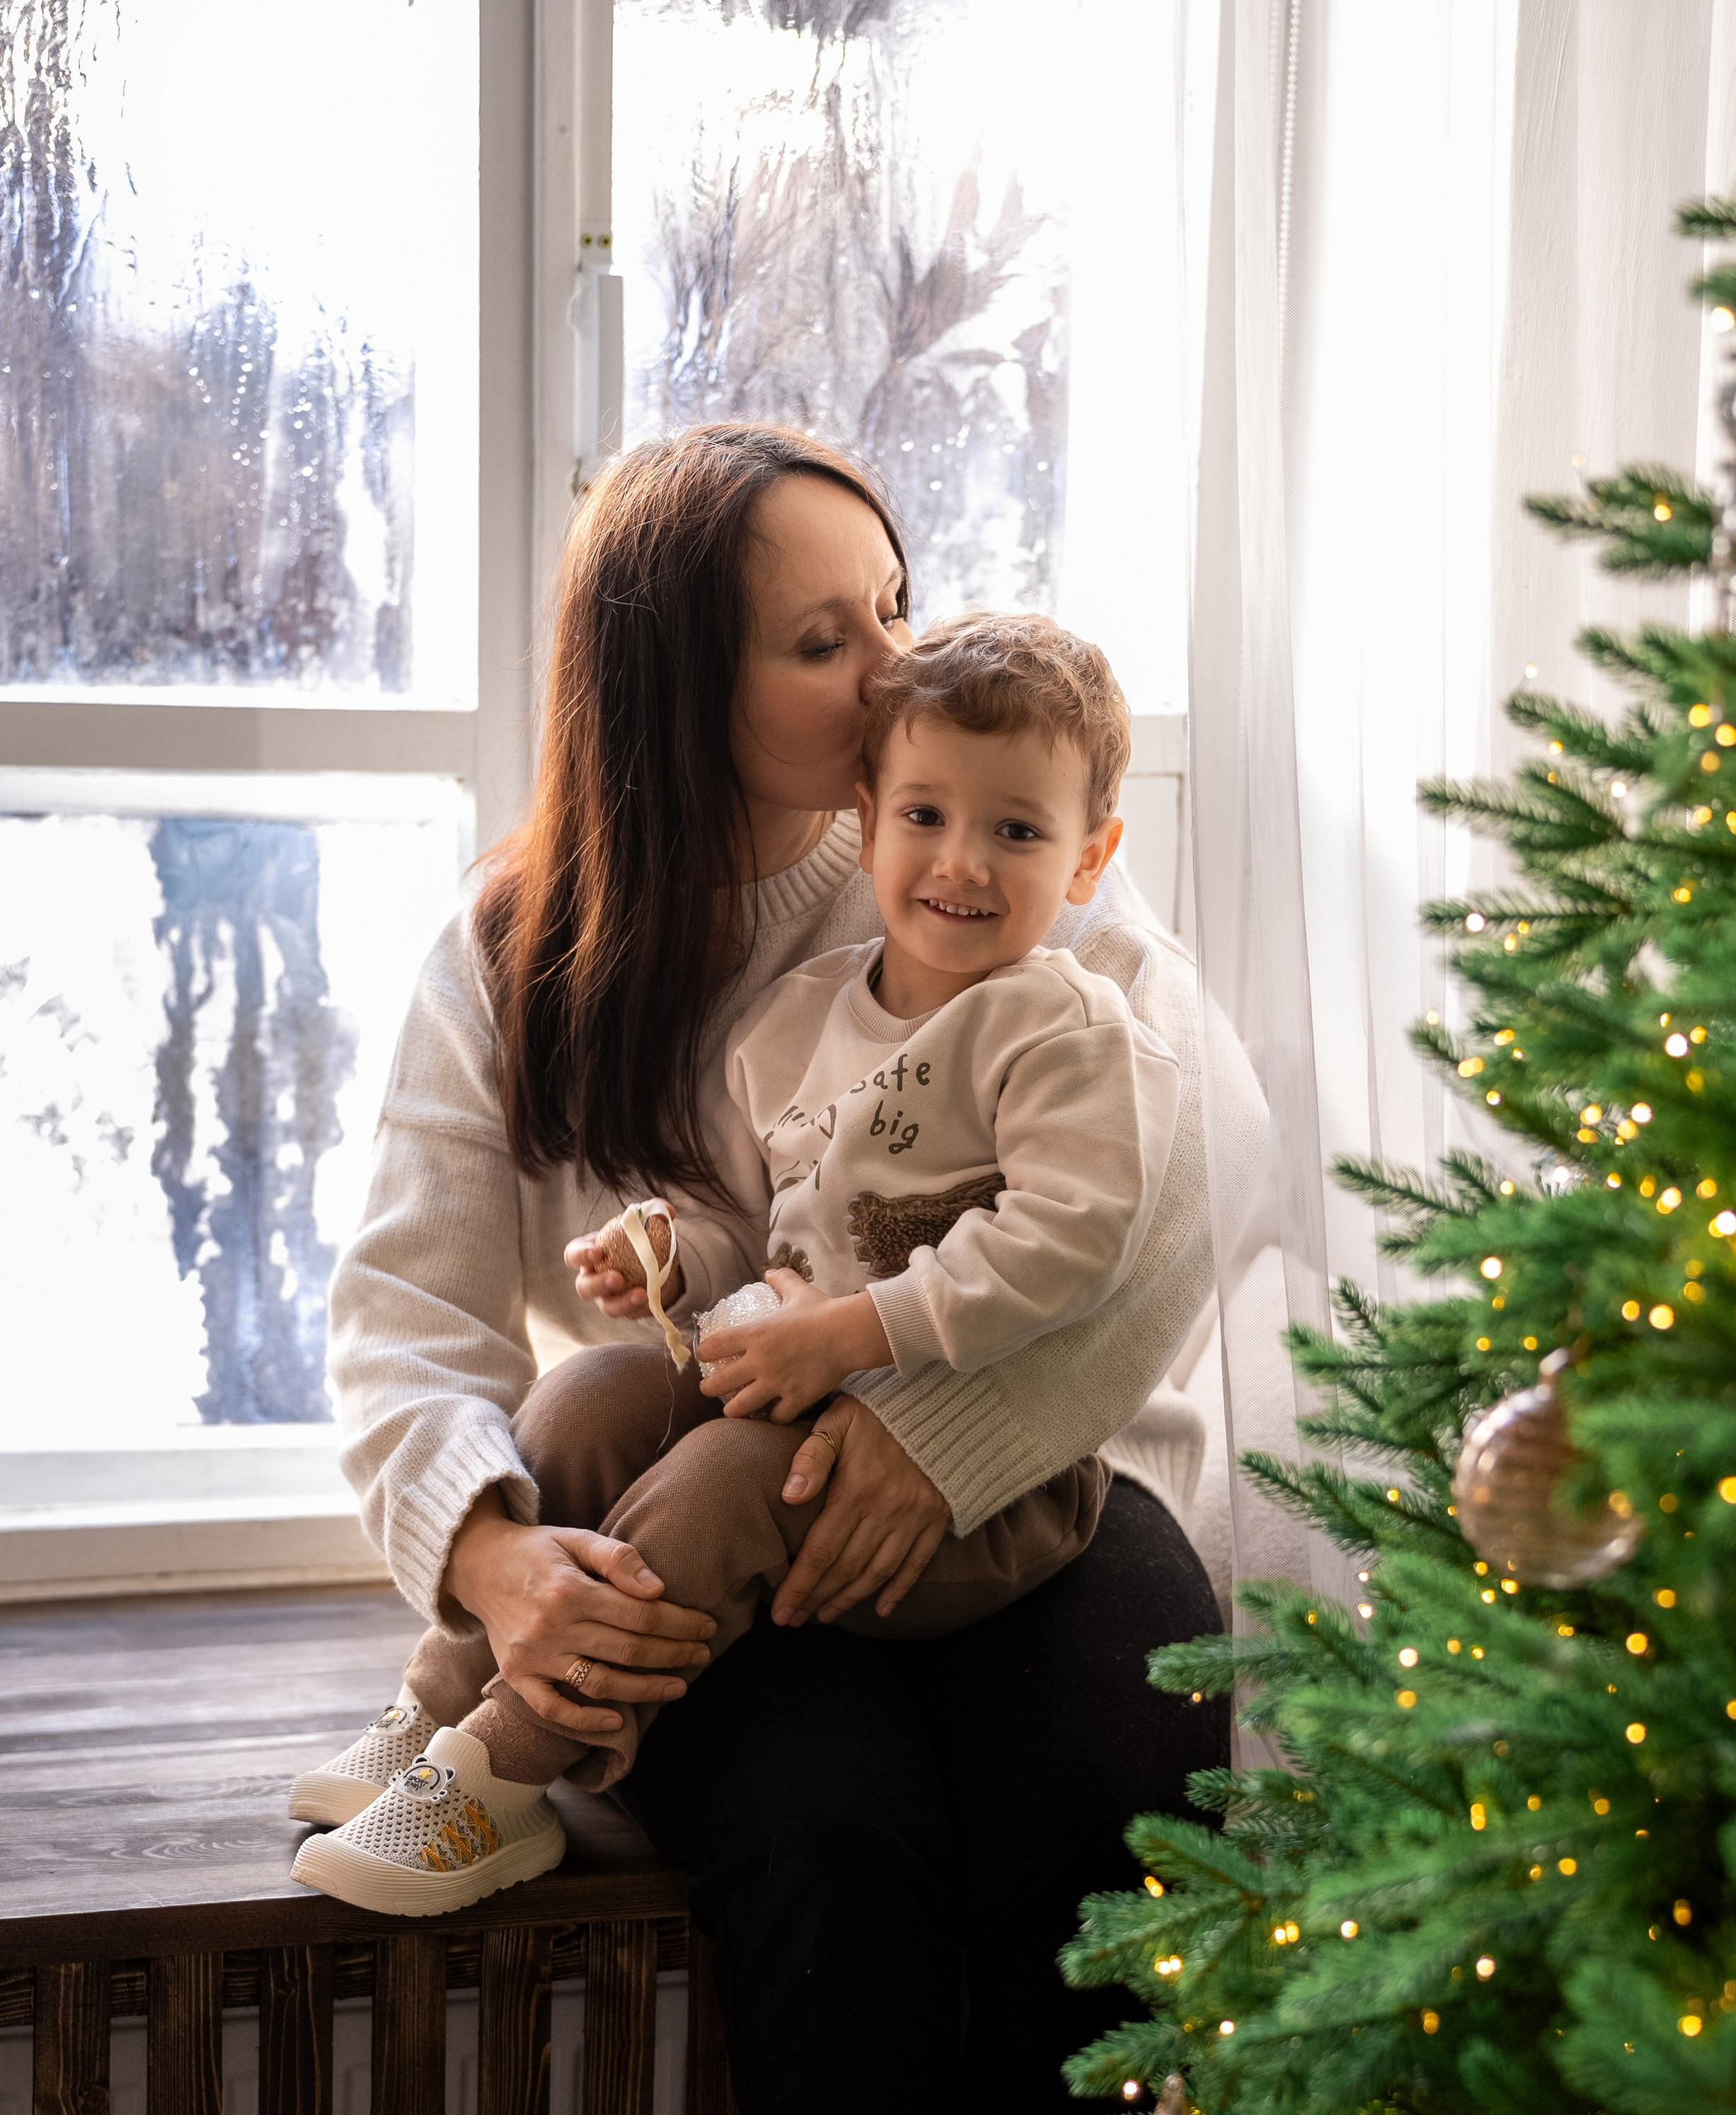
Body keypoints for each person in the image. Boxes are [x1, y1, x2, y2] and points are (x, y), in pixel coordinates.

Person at [307, 421, 1261, 2115]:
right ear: (674, 680)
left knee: (1126, 1783)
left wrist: (937, 1442)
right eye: (830, 638)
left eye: (896, 602)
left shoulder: (971, 831)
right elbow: (411, 1333)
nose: (897, 663)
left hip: (1023, 1483)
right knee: (833, 1858)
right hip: (720, 1527)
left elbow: (1186, 1178)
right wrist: (508, 1567)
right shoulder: (517, 943)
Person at [290, 612, 1180, 1910]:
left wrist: (850, 1335)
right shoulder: (803, 1019)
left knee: (710, 1483)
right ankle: (437, 1702)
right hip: (806, 1389)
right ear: (866, 818)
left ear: (1090, 854)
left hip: (988, 1492)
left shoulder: (1063, 1025)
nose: (964, 864)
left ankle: (505, 1770)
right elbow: (761, 1222)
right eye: (926, 817)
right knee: (585, 1397)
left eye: (1019, 832)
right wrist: (664, 1253)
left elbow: (1071, 1242)